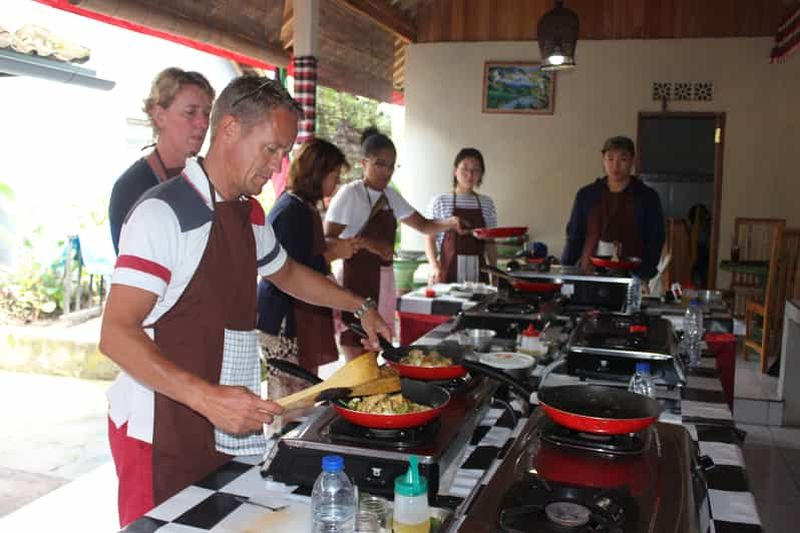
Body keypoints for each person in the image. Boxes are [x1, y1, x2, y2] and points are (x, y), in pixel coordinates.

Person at [99, 76, 390, 527]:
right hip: (156, 428)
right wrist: (207, 398)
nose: (277, 166)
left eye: (284, 153)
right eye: (271, 149)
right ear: (230, 128)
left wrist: (359, 306)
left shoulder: (248, 211)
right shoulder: (164, 213)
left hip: (218, 417)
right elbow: (116, 334)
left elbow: (289, 273)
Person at [324, 128, 463, 358]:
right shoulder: (350, 194)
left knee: (377, 348)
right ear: (364, 162)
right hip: (355, 278)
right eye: (380, 164)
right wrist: (369, 243)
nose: (386, 171)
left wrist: (450, 222)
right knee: (356, 347)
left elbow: (425, 226)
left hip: (383, 279)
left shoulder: (390, 195)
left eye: (391, 165)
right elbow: (328, 241)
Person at [257, 138, 361, 398]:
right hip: (281, 317)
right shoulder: (291, 210)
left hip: (294, 314)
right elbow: (291, 270)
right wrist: (332, 254)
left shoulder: (303, 207)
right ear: (317, 173)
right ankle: (285, 437)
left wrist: (331, 251)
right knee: (288, 395)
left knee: (302, 390)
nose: (336, 184)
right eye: (334, 176)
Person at [108, 67, 215, 254]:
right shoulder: (132, 187)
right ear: (159, 116)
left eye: (206, 113)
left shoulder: (208, 179)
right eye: (190, 112)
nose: (204, 123)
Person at [561, 136, 665, 285]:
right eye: (610, 158)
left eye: (622, 159)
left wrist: (644, 275)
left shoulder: (647, 197)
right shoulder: (587, 195)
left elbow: (655, 240)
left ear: (632, 161)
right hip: (588, 274)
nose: (615, 165)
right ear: (603, 160)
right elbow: (574, 236)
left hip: (632, 277)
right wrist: (567, 271)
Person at [425, 147, 498, 284]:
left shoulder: (486, 203)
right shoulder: (439, 201)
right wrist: (434, 267)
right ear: (455, 171)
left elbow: (490, 243)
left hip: (479, 275)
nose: (470, 175)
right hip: (446, 273)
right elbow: (429, 238)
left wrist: (495, 273)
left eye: (475, 170)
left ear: (481, 174)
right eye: (465, 168)